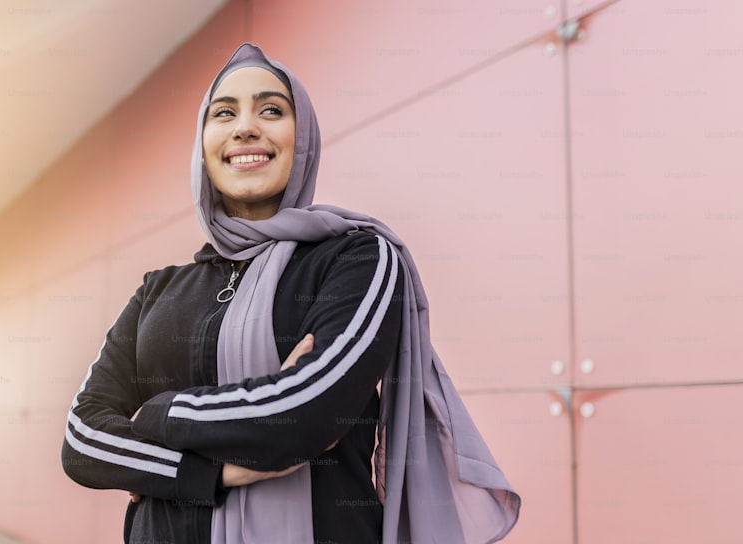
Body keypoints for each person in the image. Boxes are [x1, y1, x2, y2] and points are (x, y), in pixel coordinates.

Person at [62, 43, 520, 544]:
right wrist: (215, 471)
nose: (245, 128)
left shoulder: (359, 259)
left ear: (303, 140)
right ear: (203, 144)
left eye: (272, 110)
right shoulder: (159, 289)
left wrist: (159, 414)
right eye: (224, 113)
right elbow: (83, 441)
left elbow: (303, 417)